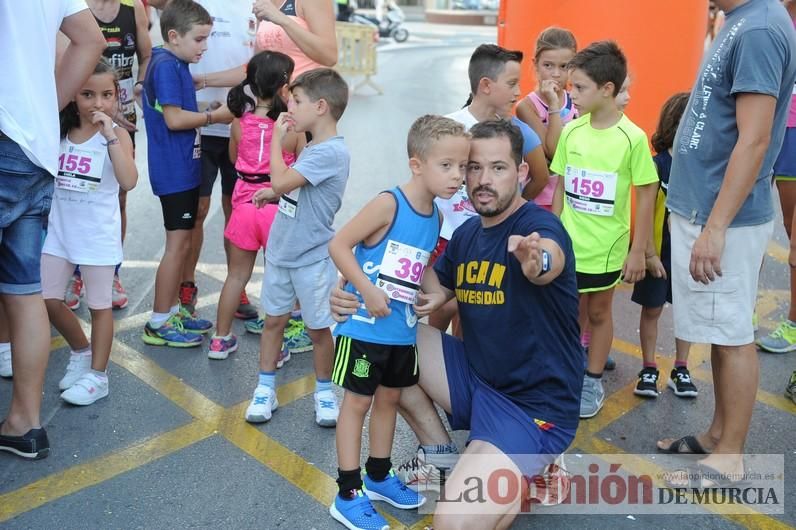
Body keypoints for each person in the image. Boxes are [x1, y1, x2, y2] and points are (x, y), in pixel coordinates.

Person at [332, 120, 582, 529]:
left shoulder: (537, 229)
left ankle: (531, 463)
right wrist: (347, 290)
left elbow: (547, 260)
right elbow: (422, 280)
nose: (483, 180)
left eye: (499, 168)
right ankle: (443, 455)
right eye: (473, 167)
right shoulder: (467, 234)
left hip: (530, 406)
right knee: (391, 342)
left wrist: (538, 262)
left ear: (521, 172)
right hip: (476, 379)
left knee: (450, 524)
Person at [659, 0, 796, 485]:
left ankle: (731, 454)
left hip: (723, 219)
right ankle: (719, 436)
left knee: (733, 337)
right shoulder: (743, 18)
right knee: (720, 330)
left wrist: (715, 228)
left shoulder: (757, 27)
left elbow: (755, 139)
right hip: (710, 210)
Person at [327, 115, 469, 529]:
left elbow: (423, 263)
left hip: (400, 332)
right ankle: (348, 492)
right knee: (357, 404)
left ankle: (377, 476)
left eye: (461, 166)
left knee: (388, 399)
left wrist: (439, 293)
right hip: (363, 328)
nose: (457, 176)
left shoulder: (435, 218)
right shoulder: (389, 203)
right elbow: (339, 244)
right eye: (447, 166)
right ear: (417, 164)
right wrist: (364, 291)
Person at [0, 0, 106, 459]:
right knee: (23, 293)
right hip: (33, 146)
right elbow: (90, 38)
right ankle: (25, 422)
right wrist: (43, 109)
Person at [551, 40, 659, 419]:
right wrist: (552, 233)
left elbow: (646, 194)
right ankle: (565, 374)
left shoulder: (632, 138)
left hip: (607, 250)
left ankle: (591, 380)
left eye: (579, 88)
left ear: (607, 89)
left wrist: (638, 249)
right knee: (567, 314)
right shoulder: (571, 132)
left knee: (598, 313)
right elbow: (561, 188)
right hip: (568, 247)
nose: (572, 95)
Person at [244, 68, 350, 427]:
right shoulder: (315, 147)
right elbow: (291, 188)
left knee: (318, 329)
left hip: (310, 258)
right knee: (273, 321)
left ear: (321, 106)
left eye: (297, 101)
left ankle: (323, 392)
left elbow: (280, 178)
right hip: (281, 252)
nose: (289, 107)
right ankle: (265, 388)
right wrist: (273, 192)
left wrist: (277, 140)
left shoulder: (330, 152)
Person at [430, 43, 548, 337]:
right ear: (485, 85)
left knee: (469, 309)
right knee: (441, 307)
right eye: (511, 84)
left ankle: (461, 368)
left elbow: (540, 177)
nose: (518, 92)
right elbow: (424, 184)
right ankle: (432, 356)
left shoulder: (517, 133)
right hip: (445, 238)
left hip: (490, 239)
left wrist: (506, 211)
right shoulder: (449, 127)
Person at [42, 59, 138, 406]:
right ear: (72, 96)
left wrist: (111, 133)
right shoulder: (60, 130)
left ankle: (98, 376)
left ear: (116, 96)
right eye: (87, 94)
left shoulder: (118, 136)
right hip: (58, 232)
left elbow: (128, 181)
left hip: (97, 235)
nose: (98, 103)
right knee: (47, 298)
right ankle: (81, 351)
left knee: (100, 307)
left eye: (106, 95)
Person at [139, 0, 230, 348]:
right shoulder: (164, 65)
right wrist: (213, 118)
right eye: (199, 40)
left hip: (185, 167)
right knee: (176, 246)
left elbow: (178, 110)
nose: (205, 47)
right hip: (174, 171)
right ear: (174, 36)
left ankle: (173, 309)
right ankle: (159, 321)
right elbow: (175, 120)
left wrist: (206, 108)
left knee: (184, 241)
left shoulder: (175, 62)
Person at [208, 51, 304, 360]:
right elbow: (302, 168)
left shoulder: (239, 122)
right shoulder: (292, 129)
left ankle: (220, 340)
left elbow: (235, 160)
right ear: (284, 86)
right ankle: (274, 350)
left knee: (237, 276)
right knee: (278, 281)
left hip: (245, 206)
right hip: (278, 208)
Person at [60, 0, 152, 313]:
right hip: (78, 113)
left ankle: (109, 271)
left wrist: (139, 84)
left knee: (118, 196)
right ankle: (73, 271)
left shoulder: (132, 10)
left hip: (120, 115)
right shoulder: (74, 7)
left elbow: (147, 54)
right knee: (71, 188)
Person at [179, 0, 258, 320]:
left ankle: (235, 284)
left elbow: (253, 68)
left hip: (242, 123)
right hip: (197, 123)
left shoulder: (257, 5)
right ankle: (187, 285)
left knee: (237, 210)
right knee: (195, 210)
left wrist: (208, 81)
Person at [631, 92, 697, 399]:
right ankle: (648, 368)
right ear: (674, 123)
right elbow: (645, 214)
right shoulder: (657, 165)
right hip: (658, 254)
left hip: (688, 254)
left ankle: (681, 368)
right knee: (652, 310)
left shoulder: (700, 167)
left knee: (686, 313)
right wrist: (649, 254)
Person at [758, 0, 796, 354]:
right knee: (754, 223)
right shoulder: (775, 14)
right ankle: (742, 310)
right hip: (769, 127)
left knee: (794, 237)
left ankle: (794, 324)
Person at [516, 27, 578, 211]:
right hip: (543, 199)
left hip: (574, 197)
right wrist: (553, 105)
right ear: (535, 65)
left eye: (564, 66)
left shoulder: (577, 101)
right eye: (548, 65)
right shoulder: (527, 107)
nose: (556, 74)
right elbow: (554, 150)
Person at [254, 0, 338, 77]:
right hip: (273, 91)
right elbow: (258, 59)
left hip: (305, 89)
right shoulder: (264, 2)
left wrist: (283, 20)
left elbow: (329, 57)